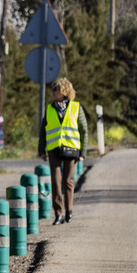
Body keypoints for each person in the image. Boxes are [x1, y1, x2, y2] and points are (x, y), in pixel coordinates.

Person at [37, 77, 88, 225]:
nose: (53, 92)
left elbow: (84, 130)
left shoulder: (76, 107)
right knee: (56, 181)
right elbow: (43, 131)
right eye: (53, 89)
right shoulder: (49, 108)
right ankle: (58, 213)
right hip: (53, 149)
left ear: (64, 91)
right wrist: (41, 150)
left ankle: (69, 211)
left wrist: (82, 152)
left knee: (68, 181)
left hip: (71, 149)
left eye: (56, 89)